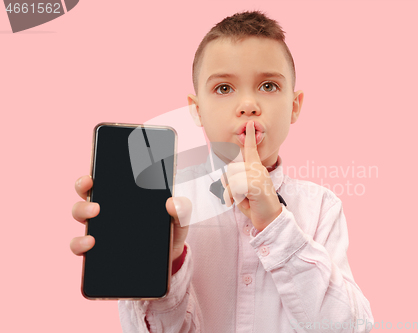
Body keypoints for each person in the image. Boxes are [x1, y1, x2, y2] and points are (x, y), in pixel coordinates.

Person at [70, 10, 374, 333]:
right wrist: (166, 264)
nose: (248, 104)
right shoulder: (169, 205)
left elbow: (351, 327)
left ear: (295, 105)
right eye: (224, 89)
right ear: (196, 109)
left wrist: (276, 223)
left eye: (268, 85)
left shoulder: (322, 208)